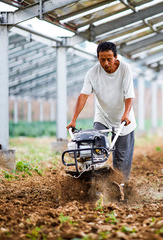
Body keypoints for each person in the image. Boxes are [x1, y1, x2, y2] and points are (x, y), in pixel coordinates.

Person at [66, 42, 136, 182]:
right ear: (98, 58)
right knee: (96, 146)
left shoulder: (125, 70)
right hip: (102, 115)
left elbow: (129, 96)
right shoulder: (93, 73)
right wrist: (73, 119)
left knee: (121, 159)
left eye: (109, 59)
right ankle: (94, 180)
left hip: (124, 118)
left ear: (116, 57)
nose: (105, 63)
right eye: (102, 59)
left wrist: (126, 114)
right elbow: (83, 96)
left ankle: (120, 185)